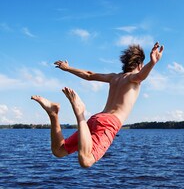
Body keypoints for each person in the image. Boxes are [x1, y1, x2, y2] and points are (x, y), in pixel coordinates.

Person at [31, 42, 164, 168]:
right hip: (110, 123)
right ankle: (80, 113)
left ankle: (53, 114)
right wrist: (152, 62)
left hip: (96, 119)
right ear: (140, 64)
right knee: (86, 161)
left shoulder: (114, 77)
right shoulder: (133, 79)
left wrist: (68, 68)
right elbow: (141, 75)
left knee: (59, 150)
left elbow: (89, 75)